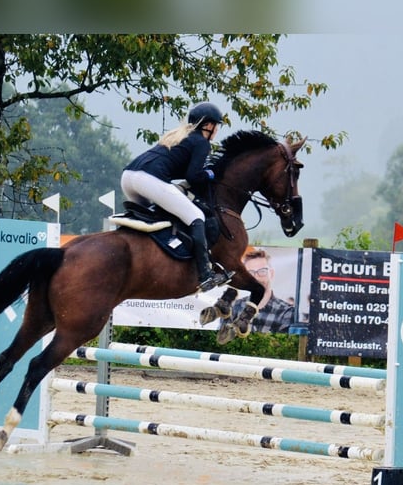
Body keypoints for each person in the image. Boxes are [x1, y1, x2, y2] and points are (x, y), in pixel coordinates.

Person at [121, 102, 230, 292]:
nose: (217, 130)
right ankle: (205, 275)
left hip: (128, 177)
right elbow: (193, 177)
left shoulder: (180, 136)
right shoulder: (201, 142)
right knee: (196, 217)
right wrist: (211, 174)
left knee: (152, 219)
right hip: (148, 179)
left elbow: (182, 170)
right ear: (209, 125)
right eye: (217, 125)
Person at [224, 248, 295, 333]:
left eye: (262, 271)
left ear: (271, 274)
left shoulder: (286, 312)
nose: (257, 277)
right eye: (250, 273)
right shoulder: (234, 307)